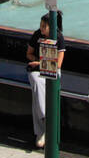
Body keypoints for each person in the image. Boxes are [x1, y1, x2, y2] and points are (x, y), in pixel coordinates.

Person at [26, 13, 65, 149]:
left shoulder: (58, 37)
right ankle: (45, 120)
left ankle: (42, 130)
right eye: (41, 26)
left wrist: (41, 63)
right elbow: (29, 54)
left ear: (51, 27)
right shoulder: (37, 35)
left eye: (44, 26)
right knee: (37, 83)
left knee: (39, 92)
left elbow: (58, 64)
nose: (41, 29)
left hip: (51, 69)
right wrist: (36, 63)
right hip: (36, 70)